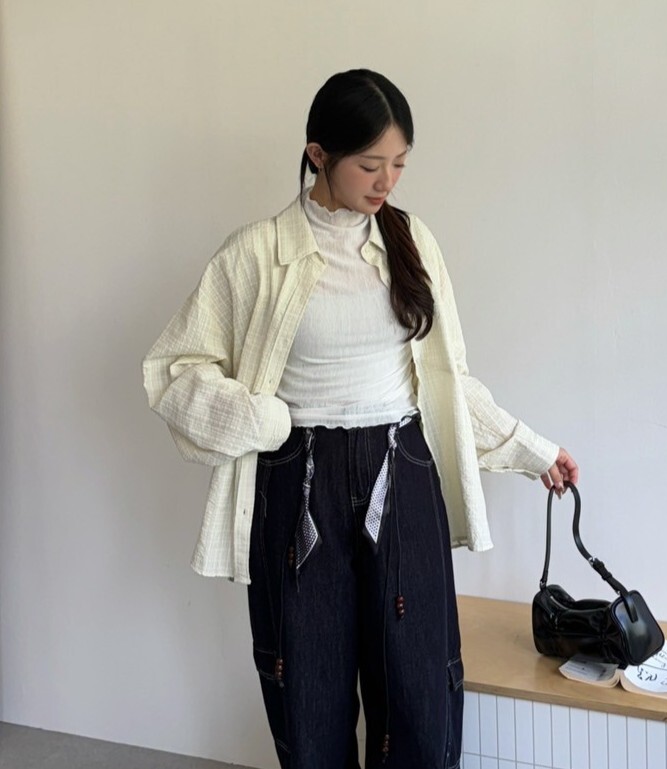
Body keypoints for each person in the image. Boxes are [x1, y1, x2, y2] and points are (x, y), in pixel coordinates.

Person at [143, 69, 578, 769]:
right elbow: (173, 369)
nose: (387, 182)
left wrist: (532, 450)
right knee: (305, 684)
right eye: (370, 164)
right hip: (297, 479)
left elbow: (446, 383)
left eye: (399, 164)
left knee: (419, 685)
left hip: (401, 468)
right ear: (318, 154)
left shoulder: (412, 241)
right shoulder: (256, 253)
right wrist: (262, 421)